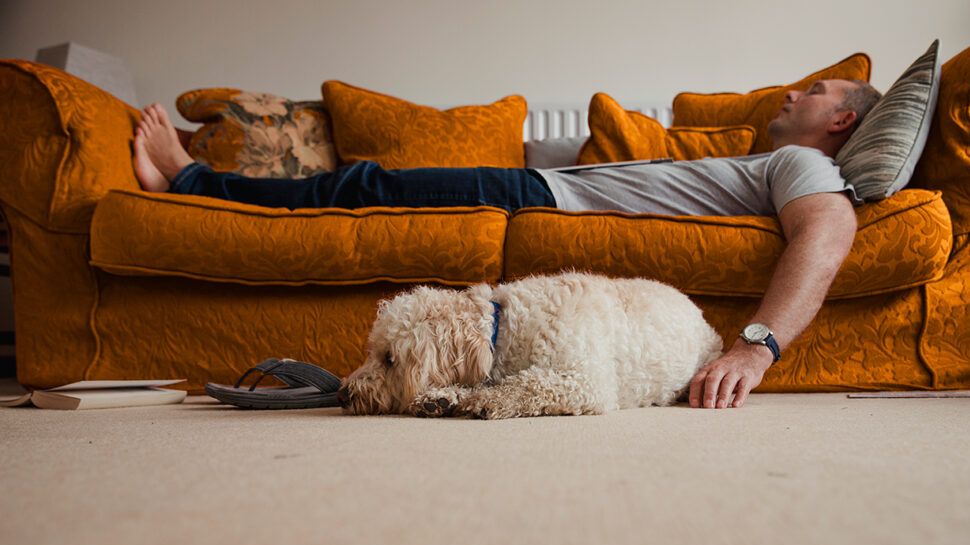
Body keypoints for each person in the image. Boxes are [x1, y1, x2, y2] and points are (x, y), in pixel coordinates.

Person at [133, 79, 882, 410]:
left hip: (539, 196)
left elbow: (830, 228)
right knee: (366, 185)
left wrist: (756, 345)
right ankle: (194, 182)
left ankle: (191, 182)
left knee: (362, 185)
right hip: (543, 185)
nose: (792, 95)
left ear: (841, 123)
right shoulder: (777, 158)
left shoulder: (805, 164)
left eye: (813, 92)